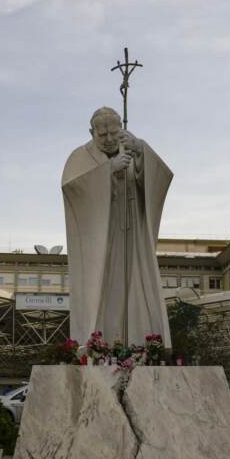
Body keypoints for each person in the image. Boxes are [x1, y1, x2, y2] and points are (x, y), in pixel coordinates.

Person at [62, 106, 174, 346]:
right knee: (106, 291)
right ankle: (99, 344)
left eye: (114, 132)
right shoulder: (79, 157)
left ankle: (141, 343)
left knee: (136, 289)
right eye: (102, 135)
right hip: (102, 241)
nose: (110, 139)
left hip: (132, 237)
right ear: (91, 132)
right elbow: (72, 190)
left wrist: (141, 151)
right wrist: (108, 171)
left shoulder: (131, 148)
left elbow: (161, 178)